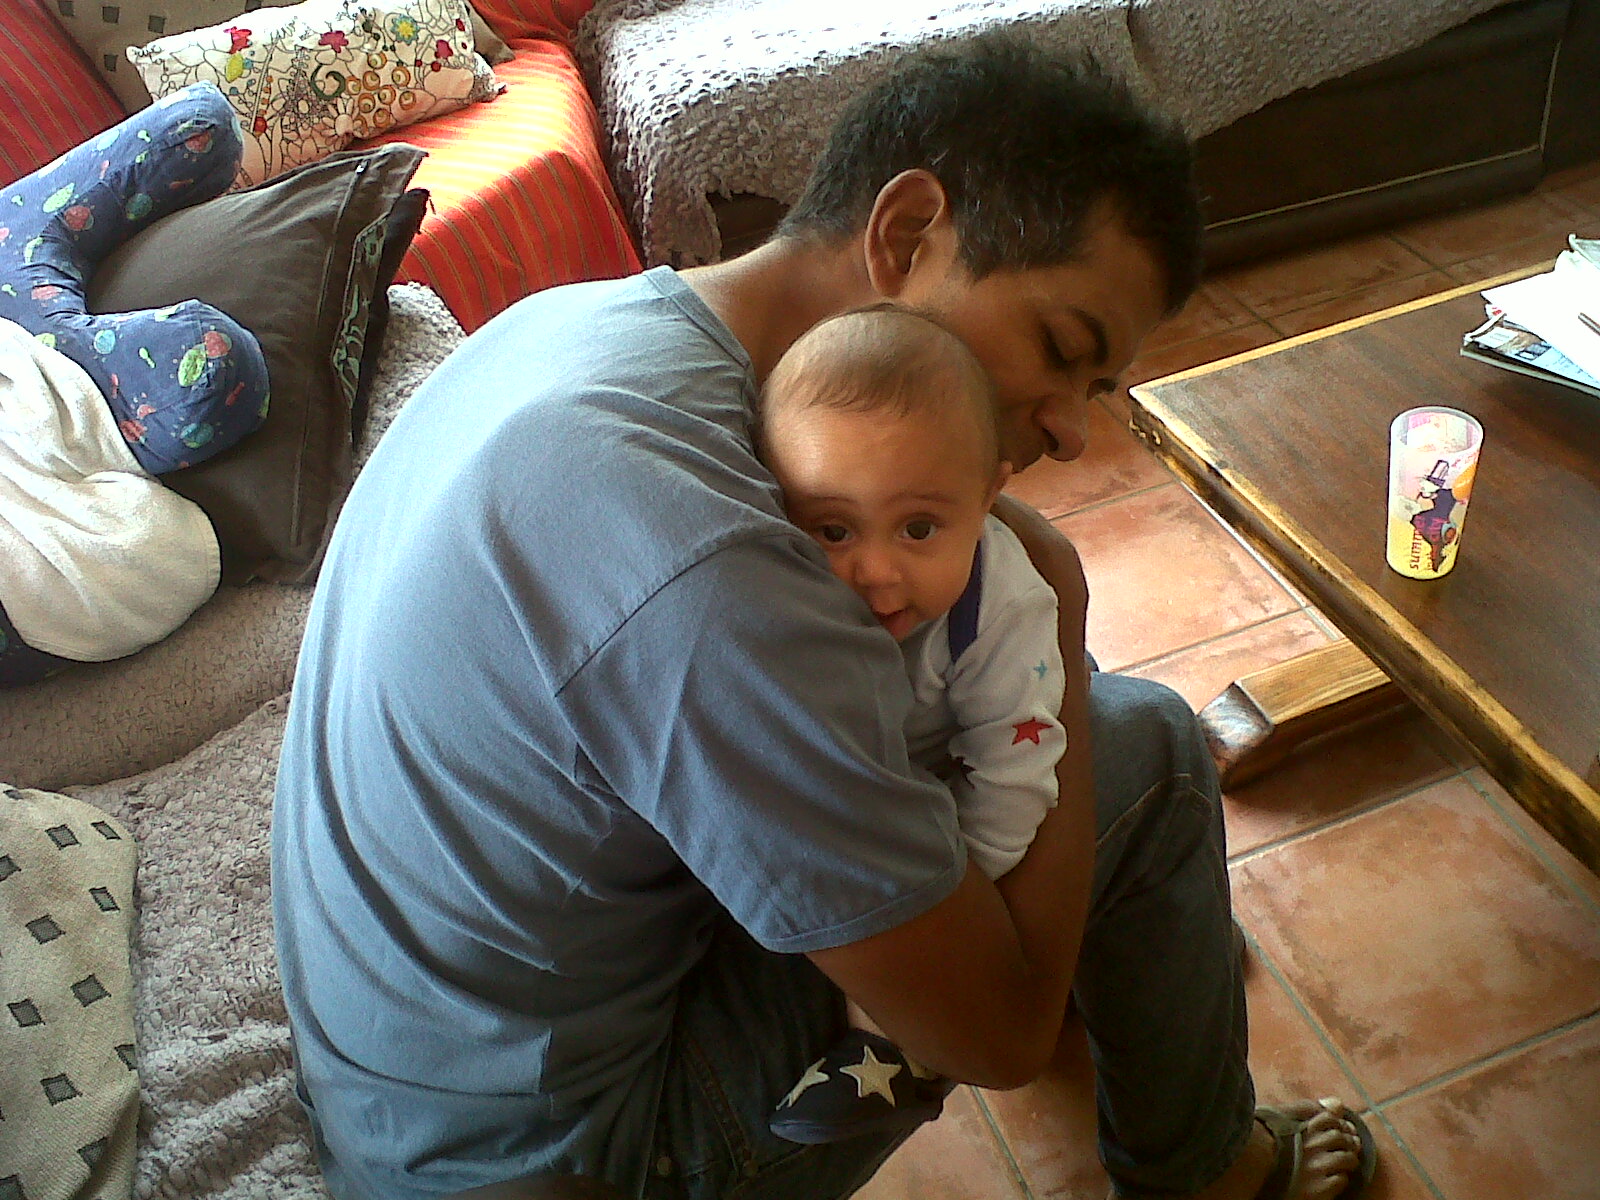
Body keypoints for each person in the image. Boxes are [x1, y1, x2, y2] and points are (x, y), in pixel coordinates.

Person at [272, 30, 1377, 1200]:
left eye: (1093, 389)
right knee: (1138, 747)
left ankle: (1097, 929)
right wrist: (1052, 607)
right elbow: (996, 1038)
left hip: (402, 1077)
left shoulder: (588, 328)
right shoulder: (709, 557)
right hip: (556, 1162)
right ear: (905, 236)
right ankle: (1207, 1170)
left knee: (977, 649)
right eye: (1061, 352)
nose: (1070, 430)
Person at [753, 306, 1067, 1143]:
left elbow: (1017, 773)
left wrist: (959, 906)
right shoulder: (774, 587)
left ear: (990, 495)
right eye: (832, 530)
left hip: (960, 787)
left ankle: (891, 1051)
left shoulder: (1001, 611)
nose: (876, 572)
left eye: (920, 528)